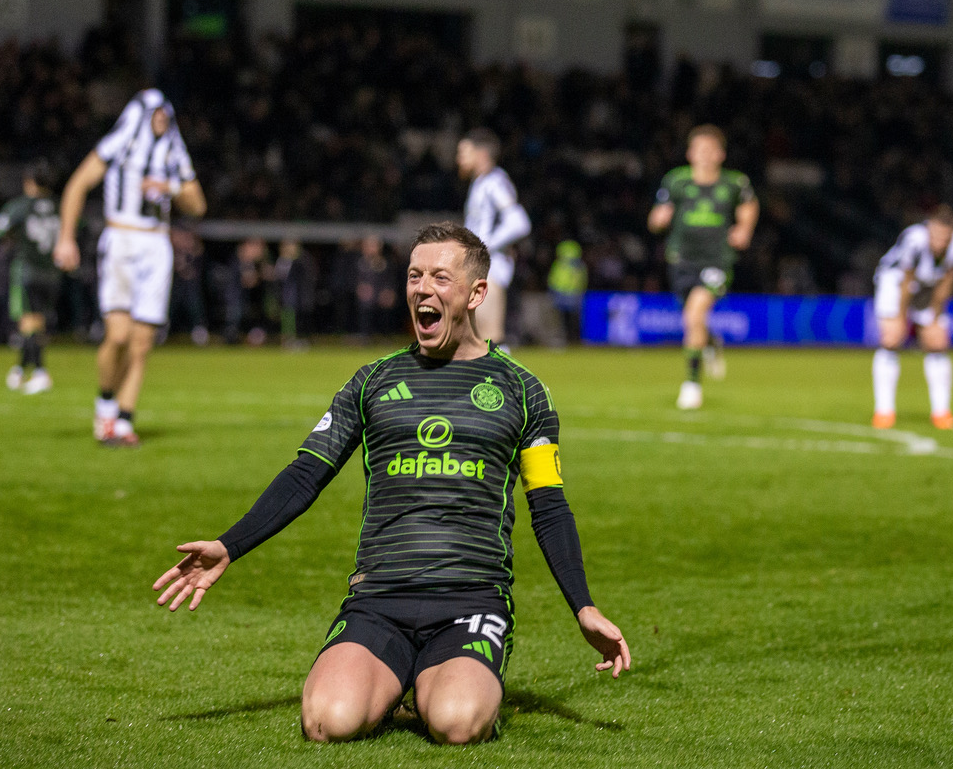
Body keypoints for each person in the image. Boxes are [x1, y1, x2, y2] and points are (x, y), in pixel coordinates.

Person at [153, 222, 630, 745]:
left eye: (440, 278)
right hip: (379, 598)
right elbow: (307, 472)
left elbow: (549, 506)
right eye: (414, 276)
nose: (422, 289)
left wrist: (582, 606)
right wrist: (229, 545)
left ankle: (443, 682)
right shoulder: (372, 381)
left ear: (476, 293)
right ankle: (400, 679)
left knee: (458, 723)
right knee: (325, 722)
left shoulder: (523, 390)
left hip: (471, 598)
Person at [53, 89, 206, 447]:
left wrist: (168, 187)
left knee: (141, 343)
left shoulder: (173, 150)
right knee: (118, 335)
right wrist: (66, 237)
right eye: (155, 112)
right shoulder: (119, 143)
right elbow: (77, 185)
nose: (161, 119)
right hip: (121, 239)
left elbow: (197, 204)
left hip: (156, 242)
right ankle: (105, 401)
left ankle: (123, 420)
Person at [647, 124, 758, 410]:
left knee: (695, 313)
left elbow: (749, 205)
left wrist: (744, 228)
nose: (705, 155)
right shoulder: (677, 181)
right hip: (681, 260)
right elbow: (659, 213)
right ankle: (710, 341)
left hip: (717, 260)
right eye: (700, 150)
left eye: (711, 150)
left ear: (721, 154)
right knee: (692, 319)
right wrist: (657, 219)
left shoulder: (734, 183)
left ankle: (692, 385)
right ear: (690, 153)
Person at [871, 205, 953, 430]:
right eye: (935, 235)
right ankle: (884, 412)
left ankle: (941, 413)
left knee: (937, 341)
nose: (938, 242)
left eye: (944, 237)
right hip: (895, 281)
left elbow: (947, 281)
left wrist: (936, 316)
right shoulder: (914, 239)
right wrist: (900, 317)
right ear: (928, 228)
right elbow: (907, 282)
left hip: (929, 286)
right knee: (891, 339)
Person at [0, 159, 63, 394]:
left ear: (29, 182)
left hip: (29, 271)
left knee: (28, 322)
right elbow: (80, 228)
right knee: (36, 324)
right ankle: (21, 369)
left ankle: (41, 371)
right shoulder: (60, 206)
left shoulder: (21, 206)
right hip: (52, 274)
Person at [457, 128, 531, 347]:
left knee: (490, 338)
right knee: (478, 338)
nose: (458, 158)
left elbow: (519, 222)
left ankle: (508, 381)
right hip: (481, 267)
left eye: (464, 152)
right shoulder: (480, 183)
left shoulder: (494, 182)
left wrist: (483, 247)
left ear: (481, 154)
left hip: (491, 269)